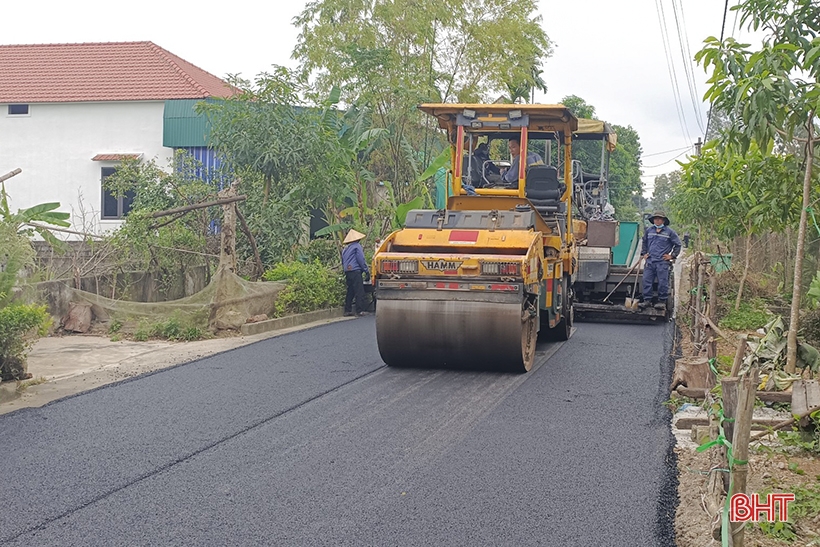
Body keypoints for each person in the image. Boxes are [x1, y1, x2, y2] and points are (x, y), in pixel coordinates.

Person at [640, 211, 682, 310]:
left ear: (663, 220)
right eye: (655, 218)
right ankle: (647, 300)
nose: (657, 220)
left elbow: (678, 245)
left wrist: (672, 256)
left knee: (663, 282)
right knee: (646, 280)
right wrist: (644, 253)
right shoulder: (649, 231)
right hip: (650, 261)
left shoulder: (670, 232)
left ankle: (662, 301)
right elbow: (644, 242)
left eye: (659, 218)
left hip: (662, 262)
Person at [341, 229, 371, 317]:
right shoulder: (357, 246)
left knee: (350, 290)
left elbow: (343, 261)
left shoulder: (345, 249)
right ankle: (359, 310)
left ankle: (347, 310)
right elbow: (361, 259)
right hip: (355, 271)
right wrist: (366, 270)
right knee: (359, 291)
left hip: (348, 271)